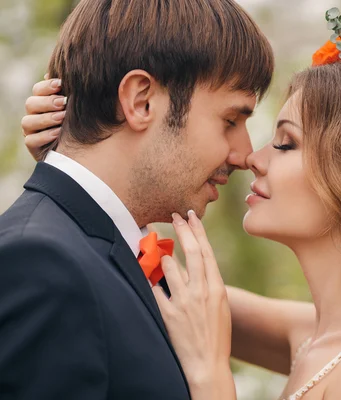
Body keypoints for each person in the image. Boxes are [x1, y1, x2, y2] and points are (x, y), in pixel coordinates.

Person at [20, 10, 341, 400]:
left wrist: (212, 377)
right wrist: (79, 148)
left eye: (284, 143)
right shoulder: (313, 334)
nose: (250, 158)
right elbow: (129, 277)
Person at [0, 0, 273, 398]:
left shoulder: (100, 255)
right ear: (141, 100)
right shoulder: (42, 264)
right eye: (230, 120)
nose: (245, 154)